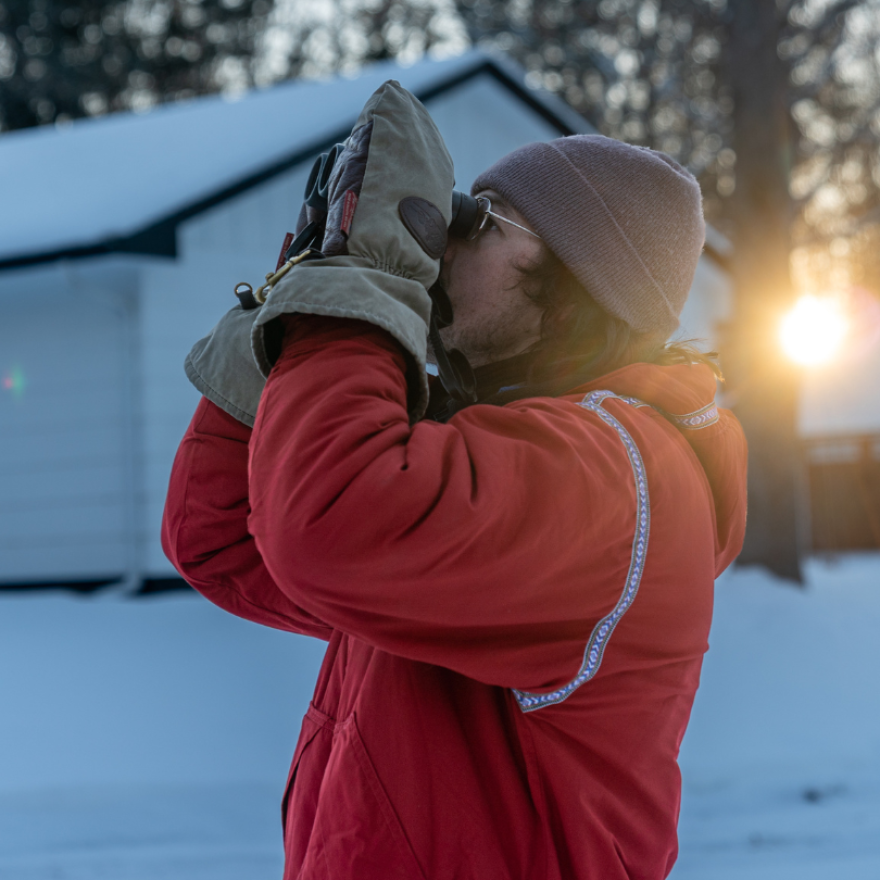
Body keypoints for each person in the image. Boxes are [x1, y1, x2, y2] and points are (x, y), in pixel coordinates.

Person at [162, 81, 747, 880]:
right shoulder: (491, 450)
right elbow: (223, 533)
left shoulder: (615, 471)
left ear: (582, 276)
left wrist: (357, 290)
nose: (448, 241)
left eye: (483, 220)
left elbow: (325, 528)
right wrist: (301, 296)